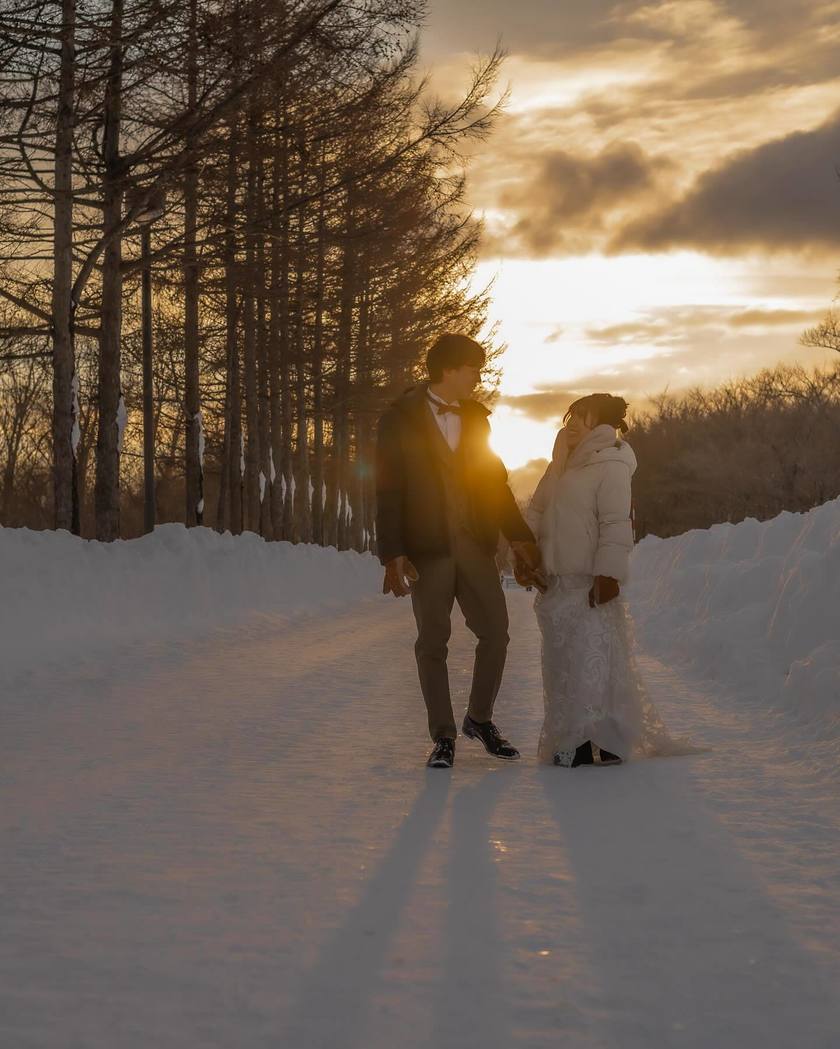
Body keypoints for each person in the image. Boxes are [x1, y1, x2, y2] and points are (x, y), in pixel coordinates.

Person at [376, 333, 543, 769]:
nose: (478, 377)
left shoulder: (477, 419)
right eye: (474, 368)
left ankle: (479, 719)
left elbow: (494, 483)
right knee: (432, 641)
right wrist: (392, 552)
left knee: (497, 632)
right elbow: (388, 491)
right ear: (449, 368)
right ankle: (443, 736)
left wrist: (519, 536)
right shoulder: (398, 419)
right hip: (426, 550)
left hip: (474, 544)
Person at [526, 393, 686, 767]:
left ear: (603, 424)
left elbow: (615, 524)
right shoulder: (559, 465)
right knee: (562, 663)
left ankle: (604, 738)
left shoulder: (611, 463)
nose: (573, 424)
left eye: (584, 417)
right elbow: (536, 510)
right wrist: (526, 555)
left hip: (590, 582)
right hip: (556, 582)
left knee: (593, 661)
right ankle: (573, 739)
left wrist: (608, 575)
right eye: (571, 416)